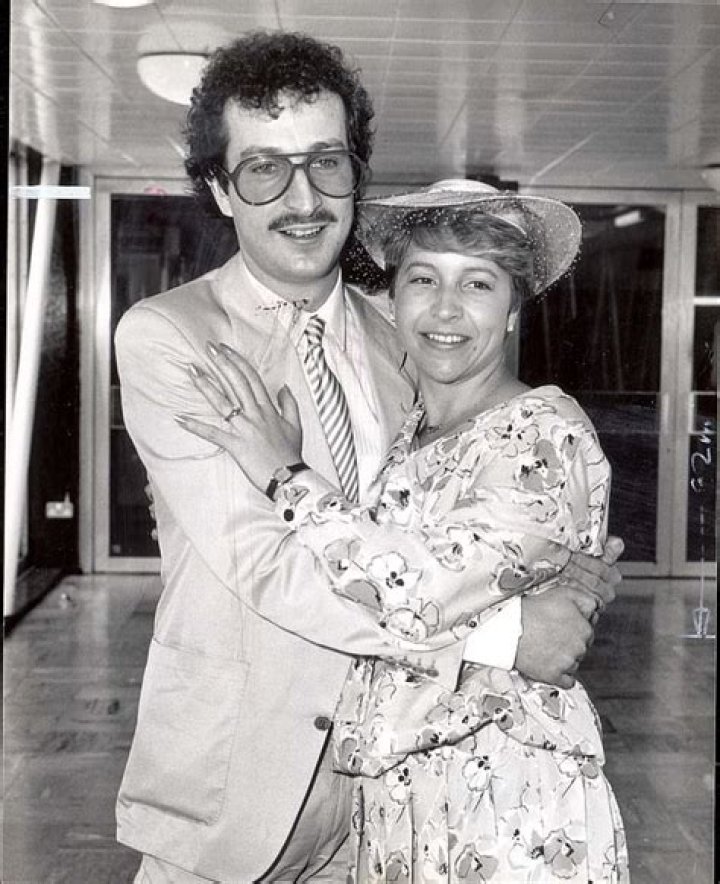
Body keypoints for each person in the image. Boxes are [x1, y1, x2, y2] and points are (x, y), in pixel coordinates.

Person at [114, 31, 622, 883]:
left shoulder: (403, 335)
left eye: (326, 163)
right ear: (220, 188)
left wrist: (562, 564)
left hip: (384, 803)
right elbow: (268, 567)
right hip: (231, 789)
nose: (303, 199)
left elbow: (456, 513)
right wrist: (505, 635)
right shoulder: (174, 339)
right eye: (264, 169)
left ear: (356, 173)